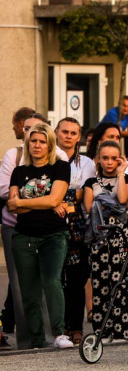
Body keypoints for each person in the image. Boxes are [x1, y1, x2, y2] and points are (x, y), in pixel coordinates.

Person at [8, 122, 72, 348]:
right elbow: (12, 206)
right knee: (29, 290)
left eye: (42, 141)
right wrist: (44, 203)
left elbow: (55, 199)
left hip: (53, 235)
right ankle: (36, 340)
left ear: (50, 144)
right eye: (33, 141)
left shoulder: (60, 167)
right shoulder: (19, 171)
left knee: (52, 281)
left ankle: (58, 334)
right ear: (28, 143)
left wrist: (27, 202)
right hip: (23, 236)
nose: (37, 145)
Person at [84, 140, 128, 340]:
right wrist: (111, 206)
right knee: (100, 285)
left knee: (120, 284)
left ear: (120, 159)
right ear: (98, 159)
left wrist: (122, 172)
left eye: (114, 158)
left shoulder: (127, 178)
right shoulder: (91, 183)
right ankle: (102, 331)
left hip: (120, 238)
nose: (109, 162)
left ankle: (121, 330)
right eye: (105, 158)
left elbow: (123, 199)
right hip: (99, 239)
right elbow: (90, 208)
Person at [55, 117, 93, 345]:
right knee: (56, 278)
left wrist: (59, 196)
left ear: (78, 137)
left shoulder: (86, 163)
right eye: (65, 131)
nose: (68, 136)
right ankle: (60, 328)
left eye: (73, 132)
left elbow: (83, 193)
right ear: (57, 133)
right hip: (53, 222)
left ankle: (76, 328)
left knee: (77, 278)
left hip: (78, 226)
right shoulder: (48, 159)